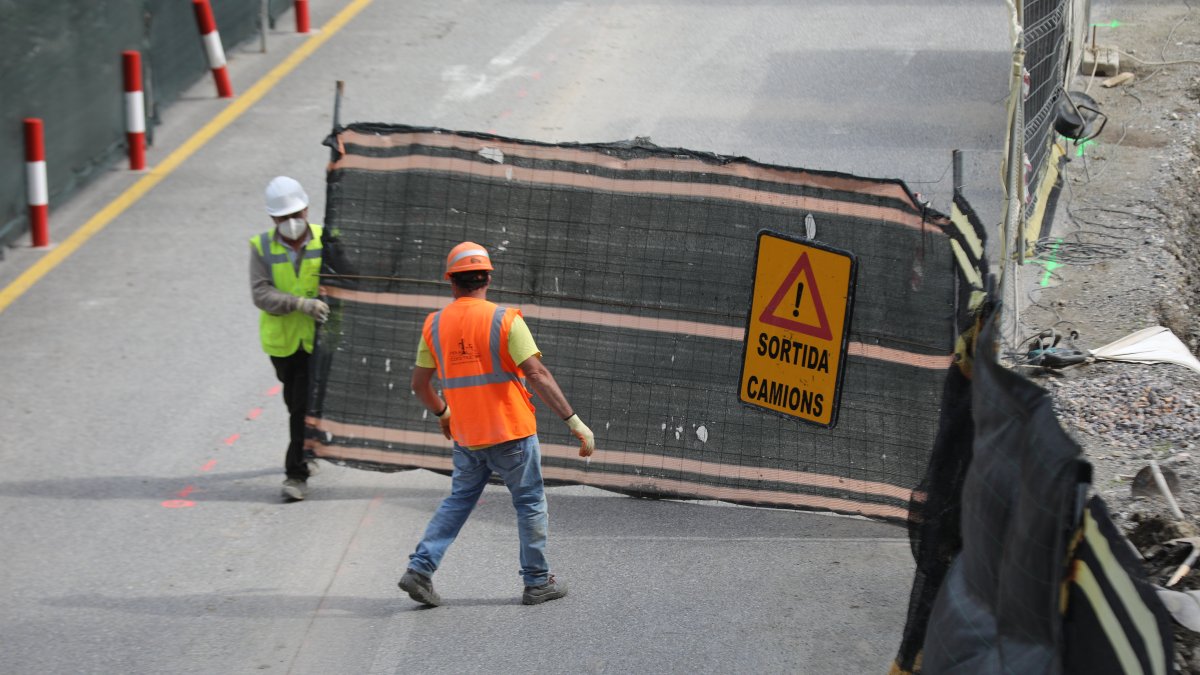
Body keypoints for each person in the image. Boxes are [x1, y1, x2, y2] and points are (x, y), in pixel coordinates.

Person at [399, 241, 595, 606]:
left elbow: (419, 384)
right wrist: (575, 421)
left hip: (467, 437)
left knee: (458, 502)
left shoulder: (434, 324)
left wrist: (444, 415)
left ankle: (420, 569)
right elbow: (536, 373)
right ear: (487, 278)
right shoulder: (505, 320)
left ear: (451, 281)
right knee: (530, 503)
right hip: (512, 435)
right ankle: (537, 582)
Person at [249, 176, 329, 502]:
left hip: (317, 342)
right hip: (283, 344)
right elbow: (260, 292)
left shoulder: (328, 240)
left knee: (301, 407)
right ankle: (310, 443)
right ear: (273, 219)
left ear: (307, 209)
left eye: (296, 214)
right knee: (295, 403)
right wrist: (298, 304)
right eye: (283, 218)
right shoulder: (262, 247)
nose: (291, 223)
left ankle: (295, 474)